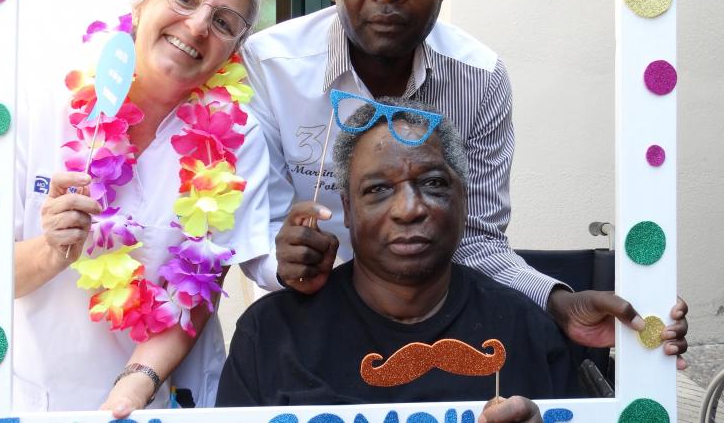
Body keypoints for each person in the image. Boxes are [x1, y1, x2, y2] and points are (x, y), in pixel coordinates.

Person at [240, 0, 688, 363]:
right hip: (306, 325)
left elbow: (476, 240)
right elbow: (259, 226)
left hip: (443, 328)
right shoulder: (268, 67)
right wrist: (282, 263)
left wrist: (556, 302)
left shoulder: (479, 78)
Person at [13, 0, 269, 416]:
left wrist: (136, 384)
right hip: (46, 396)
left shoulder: (239, 137)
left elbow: (199, 284)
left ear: (235, 49)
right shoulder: (38, 104)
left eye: (224, 22)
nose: (196, 26)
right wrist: (51, 251)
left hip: (166, 396)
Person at [216, 98, 573, 422]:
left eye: (433, 184)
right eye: (378, 190)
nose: (409, 209)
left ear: (463, 200)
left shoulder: (526, 330)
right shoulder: (272, 335)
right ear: (347, 209)